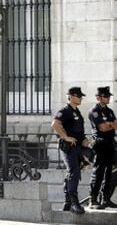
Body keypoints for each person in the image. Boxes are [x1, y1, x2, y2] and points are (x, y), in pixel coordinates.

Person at [51, 86, 87, 214]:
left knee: (71, 173)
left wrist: (84, 139)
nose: (80, 98)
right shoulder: (65, 110)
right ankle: (74, 203)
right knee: (74, 173)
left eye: (81, 96)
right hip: (68, 147)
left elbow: (78, 129)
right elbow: (55, 124)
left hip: (77, 146)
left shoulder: (76, 111)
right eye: (78, 96)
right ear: (70, 97)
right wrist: (65, 137)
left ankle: (67, 202)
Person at [88, 86, 117, 209]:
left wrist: (109, 124)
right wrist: (111, 124)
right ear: (98, 97)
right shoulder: (94, 111)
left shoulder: (109, 111)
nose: (108, 98)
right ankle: (93, 199)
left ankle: (106, 199)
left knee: (109, 173)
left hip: (110, 143)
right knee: (99, 172)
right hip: (100, 144)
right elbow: (102, 128)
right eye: (106, 96)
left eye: (108, 96)